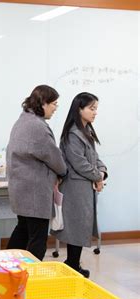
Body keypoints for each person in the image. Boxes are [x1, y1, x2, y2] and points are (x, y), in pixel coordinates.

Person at [6, 85, 67, 260]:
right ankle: (31, 278)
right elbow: (52, 155)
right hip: (34, 191)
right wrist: (63, 172)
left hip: (22, 188)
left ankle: (6, 269)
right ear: (43, 104)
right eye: (54, 104)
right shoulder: (37, 126)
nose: (55, 108)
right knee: (37, 239)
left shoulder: (23, 120)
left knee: (23, 231)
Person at [52, 92, 107, 278]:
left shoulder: (87, 130)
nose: (95, 112)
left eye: (96, 109)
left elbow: (95, 158)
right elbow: (80, 163)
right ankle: (72, 264)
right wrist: (98, 177)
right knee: (76, 227)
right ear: (79, 109)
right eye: (92, 108)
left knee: (80, 225)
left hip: (85, 187)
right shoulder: (72, 134)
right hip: (75, 188)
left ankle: (72, 263)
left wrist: (102, 172)